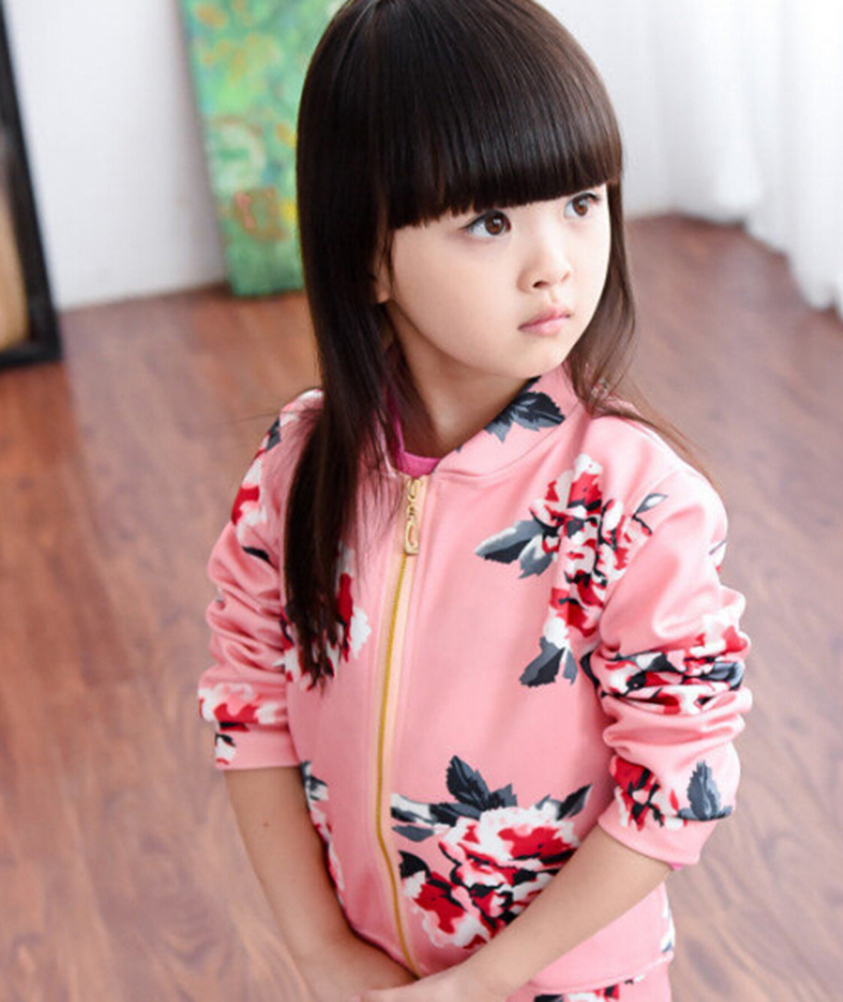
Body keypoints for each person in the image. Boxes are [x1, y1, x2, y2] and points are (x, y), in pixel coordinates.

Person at [197, 1, 752, 999]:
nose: (556, 264)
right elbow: (250, 702)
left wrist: (483, 983)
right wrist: (320, 952)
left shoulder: (632, 503)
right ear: (368, 253)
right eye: (489, 223)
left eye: (580, 201)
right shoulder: (296, 468)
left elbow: (679, 783)